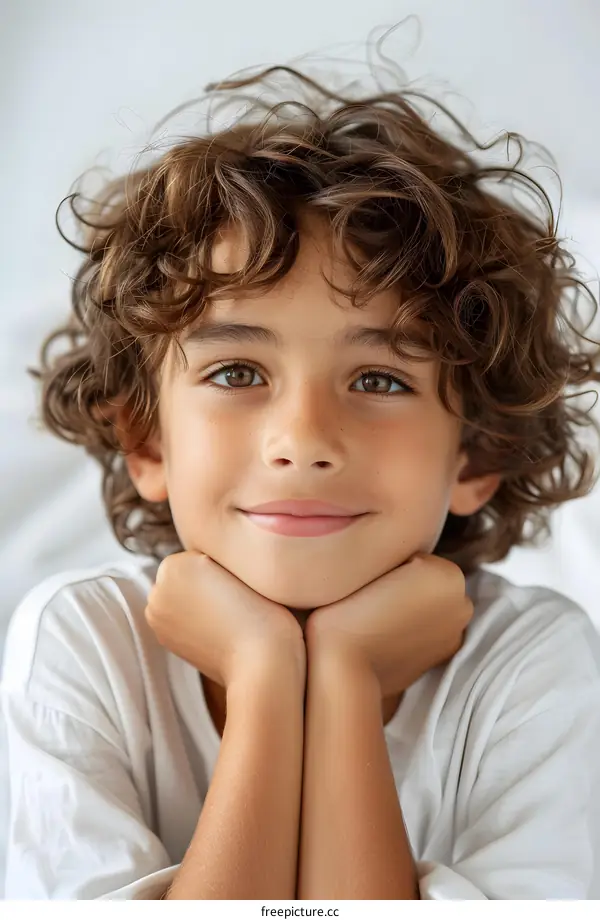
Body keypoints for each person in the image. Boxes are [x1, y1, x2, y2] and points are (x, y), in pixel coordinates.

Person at [2, 44, 600, 901]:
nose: (304, 439)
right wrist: (265, 674)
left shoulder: (531, 665)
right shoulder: (80, 644)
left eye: (380, 380)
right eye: (238, 374)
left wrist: (344, 681)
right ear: (147, 442)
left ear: (478, 455)